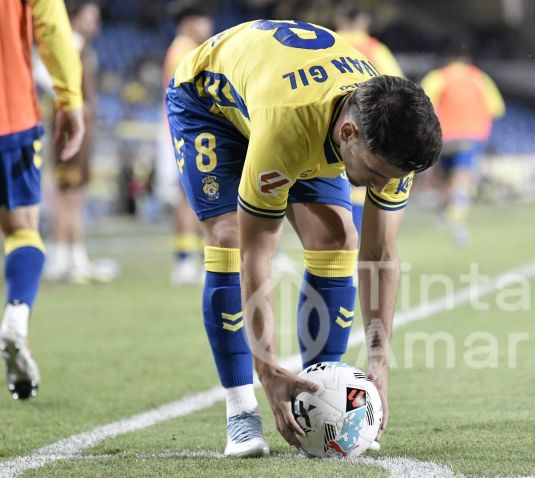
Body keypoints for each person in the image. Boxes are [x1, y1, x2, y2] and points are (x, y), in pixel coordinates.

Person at [166, 20, 441, 456]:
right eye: (374, 174)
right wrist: (267, 369)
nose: (379, 187)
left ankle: (320, 399)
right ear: (348, 134)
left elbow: (379, 252)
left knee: (338, 238)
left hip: (290, 100)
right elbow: (257, 255)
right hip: (210, 102)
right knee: (230, 238)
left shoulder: (389, 140)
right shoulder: (287, 128)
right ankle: (241, 413)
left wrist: (379, 359)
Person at [0, 0, 85, 399]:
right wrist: (69, 99)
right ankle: (16, 315)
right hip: (10, 114)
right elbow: (51, 24)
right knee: (22, 228)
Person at [45, 0, 103, 283]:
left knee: (71, 194)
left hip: (76, 130)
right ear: (76, 19)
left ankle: (68, 257)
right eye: (91, 17)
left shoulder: (79, 48)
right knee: (69, 195)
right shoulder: (70, 47)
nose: (96, 24)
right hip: (70, 131)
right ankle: (66, 258)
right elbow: (46, 81)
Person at [334, 2, 403, 239]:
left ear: (340, 20)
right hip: (362, 123)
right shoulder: (375, 48)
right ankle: (353, 239)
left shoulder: (329, 42)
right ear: (364, 23)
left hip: (327, 121)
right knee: (357, 183)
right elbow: (397, 86)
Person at [156, 1, 214, 285]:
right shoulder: (184, 51)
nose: (208, 26)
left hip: (184, 130)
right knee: (188, 197)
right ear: (189, 22)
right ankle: (185, 262)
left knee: (194, 196)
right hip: (183, 131)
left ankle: (191, 260)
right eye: (203, 20)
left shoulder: (184, 49)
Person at [421, 54, 504, 245]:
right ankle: (457, 218)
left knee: (445, 177)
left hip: (444, 136)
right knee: (461, 177)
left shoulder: (439, 76)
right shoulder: (479, 77)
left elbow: (422, 103)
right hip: (471, 135)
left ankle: (451, 217)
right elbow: (496, 108)